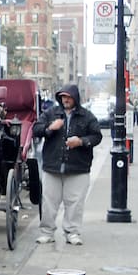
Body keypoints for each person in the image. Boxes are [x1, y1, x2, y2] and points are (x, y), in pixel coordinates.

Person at [32, 84, 103, 245]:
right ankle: (47, 232)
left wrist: (81, 141)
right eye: (63, 97)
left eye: (69, 97)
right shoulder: (51, 113)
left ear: (75, 98)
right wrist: (50, 128)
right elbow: (36, 129)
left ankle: (72, 232)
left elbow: (97, 136)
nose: (66, 100)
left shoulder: (86, 116)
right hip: (52, 166)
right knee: (49, 202)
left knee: (75, 203)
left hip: (78, 168)